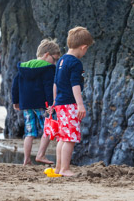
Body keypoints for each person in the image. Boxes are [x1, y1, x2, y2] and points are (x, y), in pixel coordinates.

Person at [11, 38, 61, 166]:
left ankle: (26, 159)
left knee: (29, 132)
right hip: (41, 105)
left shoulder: (23, 67)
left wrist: (15, 101)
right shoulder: (48, 69)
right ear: (46, 55)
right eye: (54, 59)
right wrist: (52, 104)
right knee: (48, 128)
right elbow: (48, 87)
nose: (54, 63)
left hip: (26, 105)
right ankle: (40, 154)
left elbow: (15, 85)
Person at [52, 26, 93, 177]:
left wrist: (54, 101)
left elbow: (55, 83)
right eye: (86, 49)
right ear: (83, 47)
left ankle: (58, 167)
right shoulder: (76, 63)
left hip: (60, 104)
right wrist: (80, 105)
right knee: (70, 138)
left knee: (62, 137)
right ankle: (65, 168)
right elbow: (75, 84)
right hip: (70, 104)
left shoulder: (61, 60)